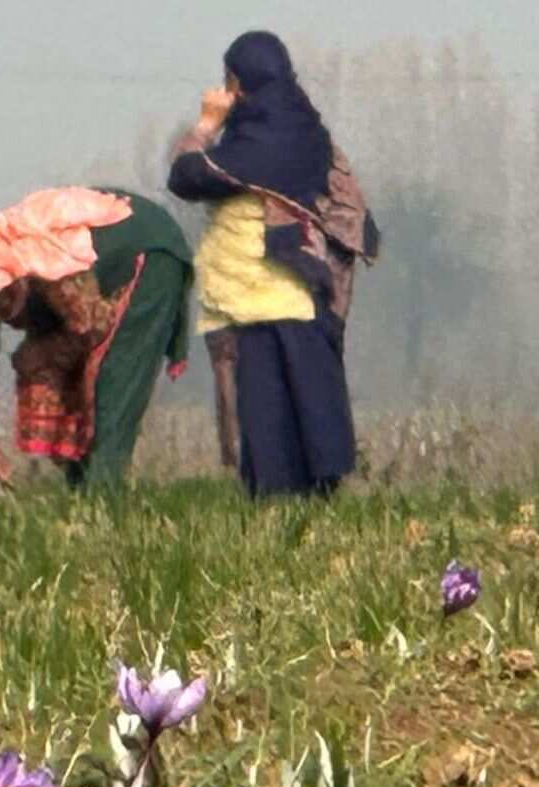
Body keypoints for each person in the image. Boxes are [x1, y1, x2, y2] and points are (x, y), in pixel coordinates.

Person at [167, 30, 379, 498]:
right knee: (309, 403)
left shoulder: (258, 143)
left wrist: (205, 124)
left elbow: (186, 176)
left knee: (267, 414)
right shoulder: (306, 131)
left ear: (242, 83)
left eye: (230, 82)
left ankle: (282, 503)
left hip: (267, 293)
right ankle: (315, 502)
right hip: (294, 294)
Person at [0, 186, 194, 491]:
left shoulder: (50, 266)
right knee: (47, 367)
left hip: (146, 250)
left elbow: (93, 327)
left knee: (111, 377)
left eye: (3, 299)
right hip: (87, 299)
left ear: (19, 278)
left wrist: (41, 353)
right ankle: (79, 486)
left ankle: (104, 497)